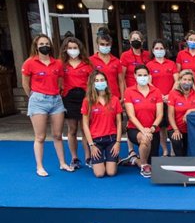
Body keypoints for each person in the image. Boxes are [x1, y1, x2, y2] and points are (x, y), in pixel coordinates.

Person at [22, 34, 73, 176]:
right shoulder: (29, 63)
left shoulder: (57, 63)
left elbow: (61, 80)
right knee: (40, 136)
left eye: (46, 43)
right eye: (41, 44)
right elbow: (25, 84)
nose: (44, 46)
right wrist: (33, 96)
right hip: (38, 100)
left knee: (57, 135)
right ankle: (39, 166)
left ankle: (62, 163)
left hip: (56, 100)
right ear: (36, 47)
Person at [90, 33, 131, 162]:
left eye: (107, 45)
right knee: (96, 124)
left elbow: (121, 80)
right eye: (102, 44)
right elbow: (90, 81)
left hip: (115, 99)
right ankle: (92, 155)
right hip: (97, 99)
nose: (105, 47)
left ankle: (114, 155)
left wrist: (122, 97)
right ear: (98, 44)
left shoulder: (116, 60)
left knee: (115, 125)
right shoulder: (91, 60)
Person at [123, 65, 163, 178]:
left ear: (149, 76)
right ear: (135, 76)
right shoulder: (129, 91)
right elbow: (131, 115)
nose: (142, 77)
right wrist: (144, 131)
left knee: (154, 164)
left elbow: (160, 114)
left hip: (153, 130)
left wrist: (152, 128)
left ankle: (135, 160)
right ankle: (144, 165)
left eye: (145, 75)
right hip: (135, 130)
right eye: (139, 75)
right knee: (145, 140)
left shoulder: (156, 91)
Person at [81, 70, 122, 178]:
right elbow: (85, 124)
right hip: (96, 141)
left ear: (106, 82)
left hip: (111, 139)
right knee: (99, 174)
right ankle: (103, 161)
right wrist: (91, 145)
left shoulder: (114, 99)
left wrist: (118, 142)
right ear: (92, 84)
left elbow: (118, 122)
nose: (100, 82)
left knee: (111, 173)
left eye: (102, 80)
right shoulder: (87, 101)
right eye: (97, 80)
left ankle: (111, 160)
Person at [60, 36, 92, 169]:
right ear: (65, 49)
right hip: (69, 98)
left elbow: (91, 83)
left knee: (85, 129)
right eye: (70, 48)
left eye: (75, 48)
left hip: (84, 98)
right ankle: (74, 158)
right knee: (72, 129)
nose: (73, 50)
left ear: (80, 49)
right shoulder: (61, 64)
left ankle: (88, 157)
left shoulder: (87, 64)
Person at [167, 69, 195, 157]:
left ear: (192, 82)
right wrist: (175, 130)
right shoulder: (173, 93)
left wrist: (190, 110)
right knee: (177, 142)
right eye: (184, 79)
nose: (187, 82)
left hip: (190, 129)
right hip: (175, 128)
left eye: (189, 80)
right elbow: (170, 115)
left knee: (188, 152)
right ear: (180, 80)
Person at [147, 39, 178, 157]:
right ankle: (165, 149)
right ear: (153, 50)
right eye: (157, 48)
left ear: (165, 50)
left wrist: (170, 94)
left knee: (172, 124)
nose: (159, 51)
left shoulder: (171, 64)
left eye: (161, 48)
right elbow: (149, 83)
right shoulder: (149, 65)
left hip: (171, 99)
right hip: (157, 100)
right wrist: (160, 95)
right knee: (162, 127)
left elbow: (177, 80)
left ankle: (173, 149)